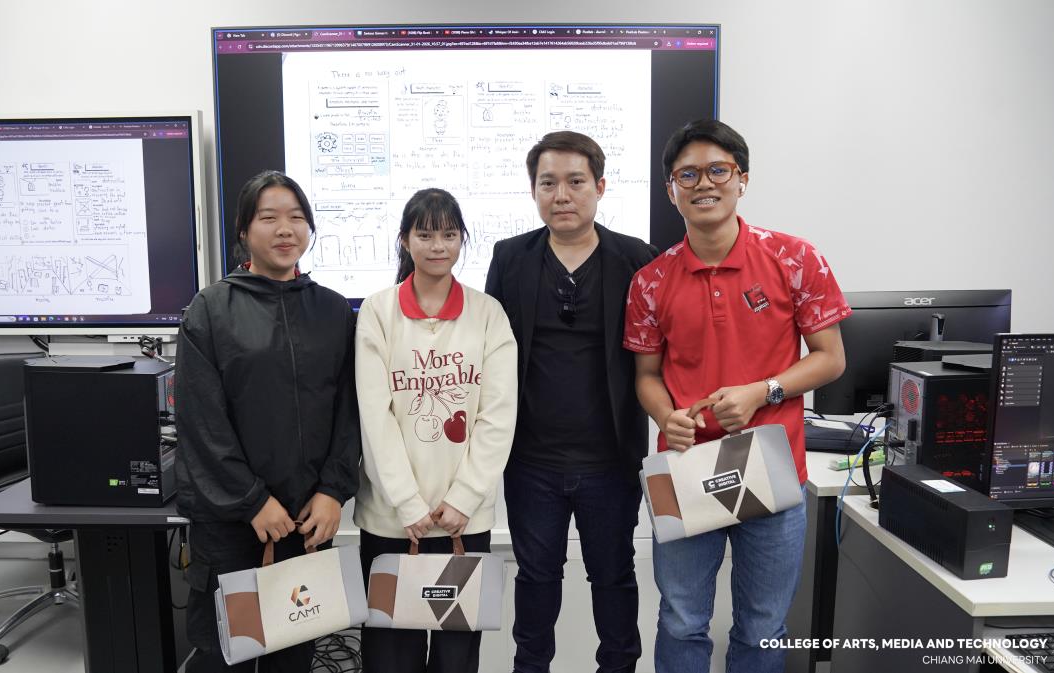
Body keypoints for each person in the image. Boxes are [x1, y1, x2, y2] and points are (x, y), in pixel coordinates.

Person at [624, 119, 850, 673]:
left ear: (742, 180)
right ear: (671, 189)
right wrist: (667, 415)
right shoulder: (651, 281)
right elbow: (647, 375)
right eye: (688, 174)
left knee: (763, 625)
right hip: (685, 467)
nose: (704, 183)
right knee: (680, 620)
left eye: (718, 170)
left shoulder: (795, 258)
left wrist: (762, 392)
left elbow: (830, 357)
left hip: (773, 465)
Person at [173, 170, 361, 673]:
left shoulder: (333, 311)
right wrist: (252, 500)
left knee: (293, 650)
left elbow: (349, 412)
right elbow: (201, 422)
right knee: (223, 652)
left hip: (306, 517)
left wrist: (333, 491)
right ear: (244, 230)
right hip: (232, 520)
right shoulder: (211, 310)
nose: (285, 229)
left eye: (297, 218)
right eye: (269, 217)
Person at [485, 131, 657, 673]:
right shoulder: (510, 257)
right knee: (536, 581)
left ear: (600, 187)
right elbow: (490, 352)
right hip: (531, 461)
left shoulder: (636, 258)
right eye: (548, 183)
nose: (561, 195)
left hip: (610, 460)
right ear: (534, 190)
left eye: (575, 181)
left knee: (613, 577)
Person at [354, 188, 517, 673]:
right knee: (391, 657)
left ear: (462, 239)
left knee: (456, 658)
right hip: (390, 520)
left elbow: (497, 415)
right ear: (405, 240)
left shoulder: (487, 314)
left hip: (462, 520)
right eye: (425, 234)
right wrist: (406, 502)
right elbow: (375, 416)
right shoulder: (377, 312)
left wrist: (464, 498)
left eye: (449, 234)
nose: (438, 246)